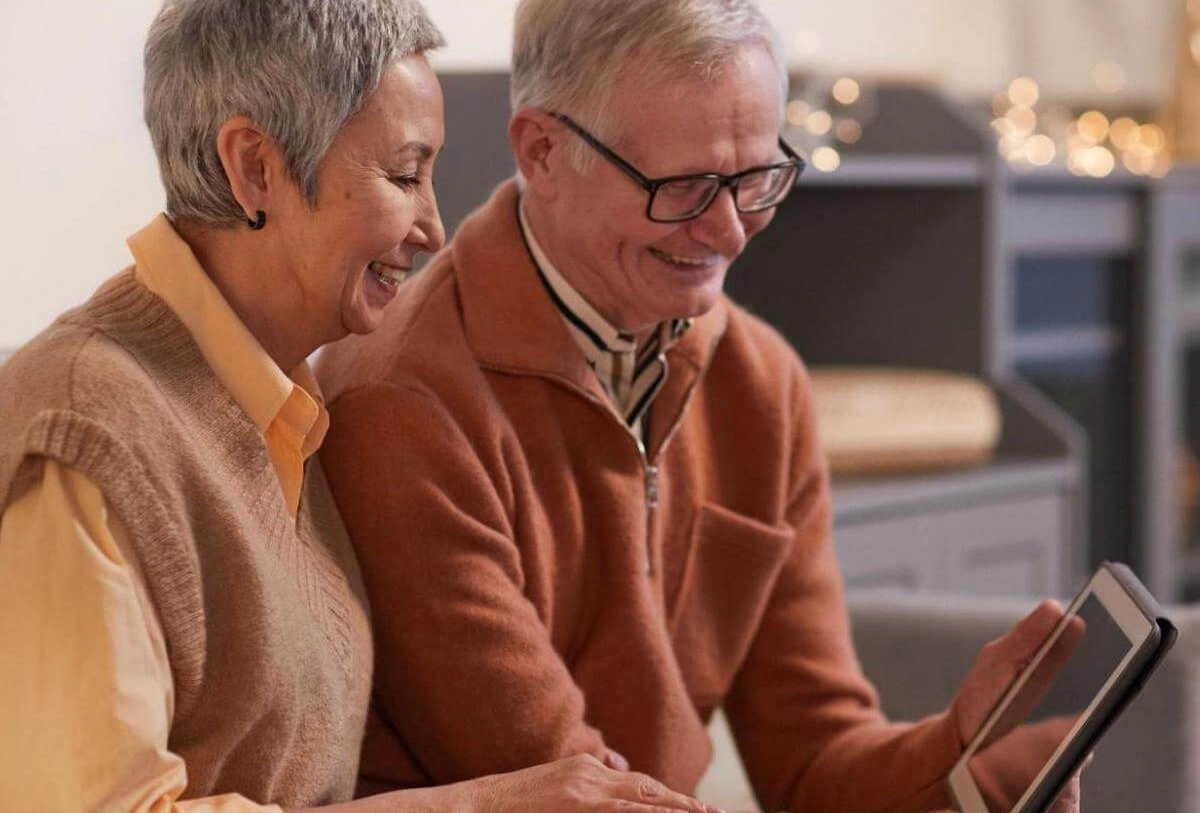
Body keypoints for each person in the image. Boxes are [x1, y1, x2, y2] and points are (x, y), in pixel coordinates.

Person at [315, 1, 1084, 812]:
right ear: (542, 151)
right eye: (682, 186)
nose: (729, 231)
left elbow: (816, 758)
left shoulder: (761, 382)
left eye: (755, 179)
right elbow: (574, 790)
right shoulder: (403, 406)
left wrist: (963, 754)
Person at [0, 2, 722, 812]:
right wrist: (481, 806)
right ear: (254, 169)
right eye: (405, 175)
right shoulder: (85, 428)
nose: (433, 226)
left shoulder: (279, 408)